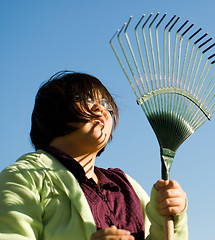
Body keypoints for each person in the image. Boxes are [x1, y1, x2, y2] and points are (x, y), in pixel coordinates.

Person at [0, 71, 188, 240]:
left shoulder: (125, 185)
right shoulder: (25, 176)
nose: (101, 109)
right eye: (87, 99)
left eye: (106, 104)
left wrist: (172, 217)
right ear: (53, 110)